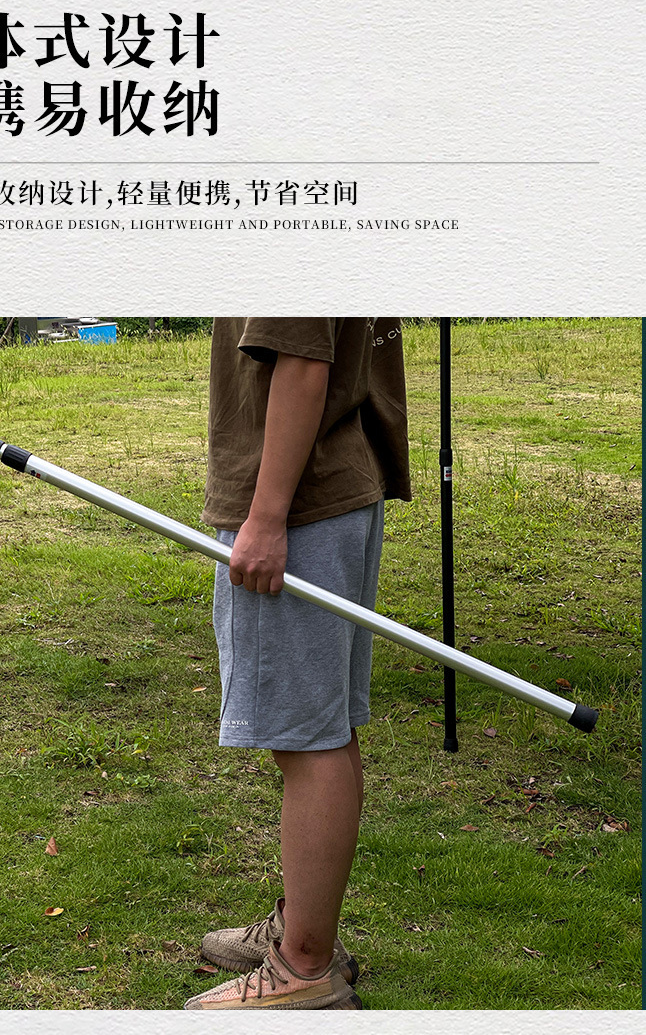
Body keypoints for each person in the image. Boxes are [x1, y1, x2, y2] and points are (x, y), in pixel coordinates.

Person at [183, 317, 411, 1010]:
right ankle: (309, 931)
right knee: (322, 731)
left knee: (308, 739)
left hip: (300, 503)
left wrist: (266, 517)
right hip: (329, 486)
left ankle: (305, 967)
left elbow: (305, 364)